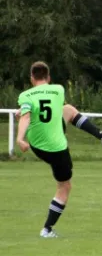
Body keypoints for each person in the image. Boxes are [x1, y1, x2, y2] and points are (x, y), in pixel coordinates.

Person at [16, 62, 73, 238]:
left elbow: (26, 115)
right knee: (65, 186)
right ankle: (47, 229)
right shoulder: (58, 90)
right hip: (57, 147)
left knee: (62, 183)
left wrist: (20, 138)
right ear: (48, 77)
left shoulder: (25, 95)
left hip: (37, 145)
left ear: (32, 78)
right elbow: (55, 106)